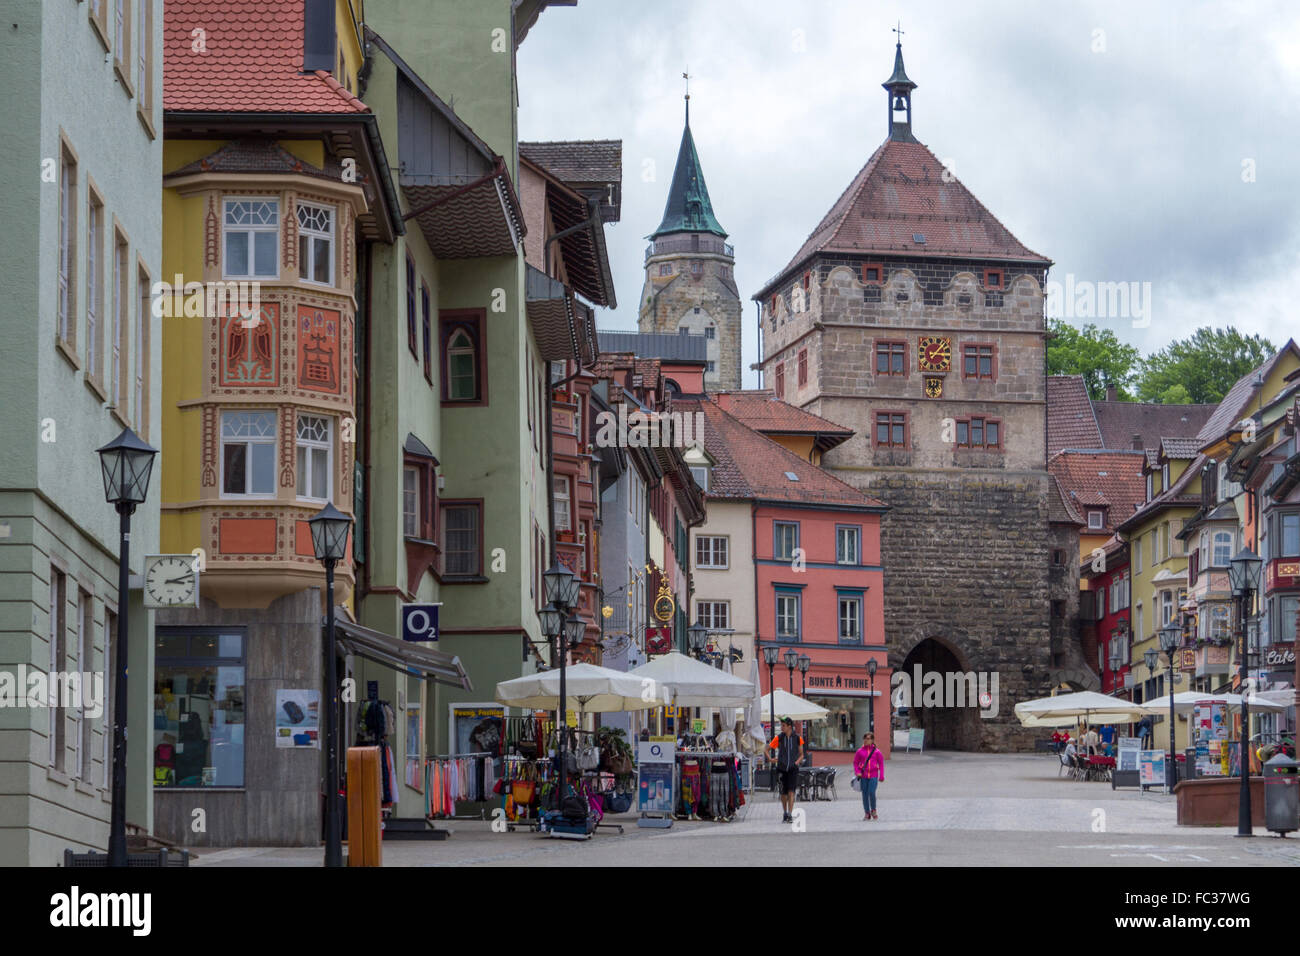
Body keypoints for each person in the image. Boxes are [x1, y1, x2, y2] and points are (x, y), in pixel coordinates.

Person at [767, 717, 805, 823]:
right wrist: (770, 759)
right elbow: (767, 749)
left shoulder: (797, 738)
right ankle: (785, 812)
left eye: (783, 725)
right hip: (781, 768)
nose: (781, 727)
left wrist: (796, 763)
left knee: (791, 792)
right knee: (783, 793)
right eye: (781, 725)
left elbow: (802, 754)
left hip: (793, 769)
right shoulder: (779, 737)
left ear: (789, 726)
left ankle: (790, 813)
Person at [854, 732, 885, 820]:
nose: (866, 740)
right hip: (863, 776)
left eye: (868, 739)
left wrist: (881, 775)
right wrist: (857, 772)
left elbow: (881, 764)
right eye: (865, 738)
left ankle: (873, 810)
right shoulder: (859, 751)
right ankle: (867, 813)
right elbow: (855, 763)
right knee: (864, 794)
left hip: (873, 775)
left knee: (871, 792)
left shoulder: (877, 752)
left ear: (872, 740)